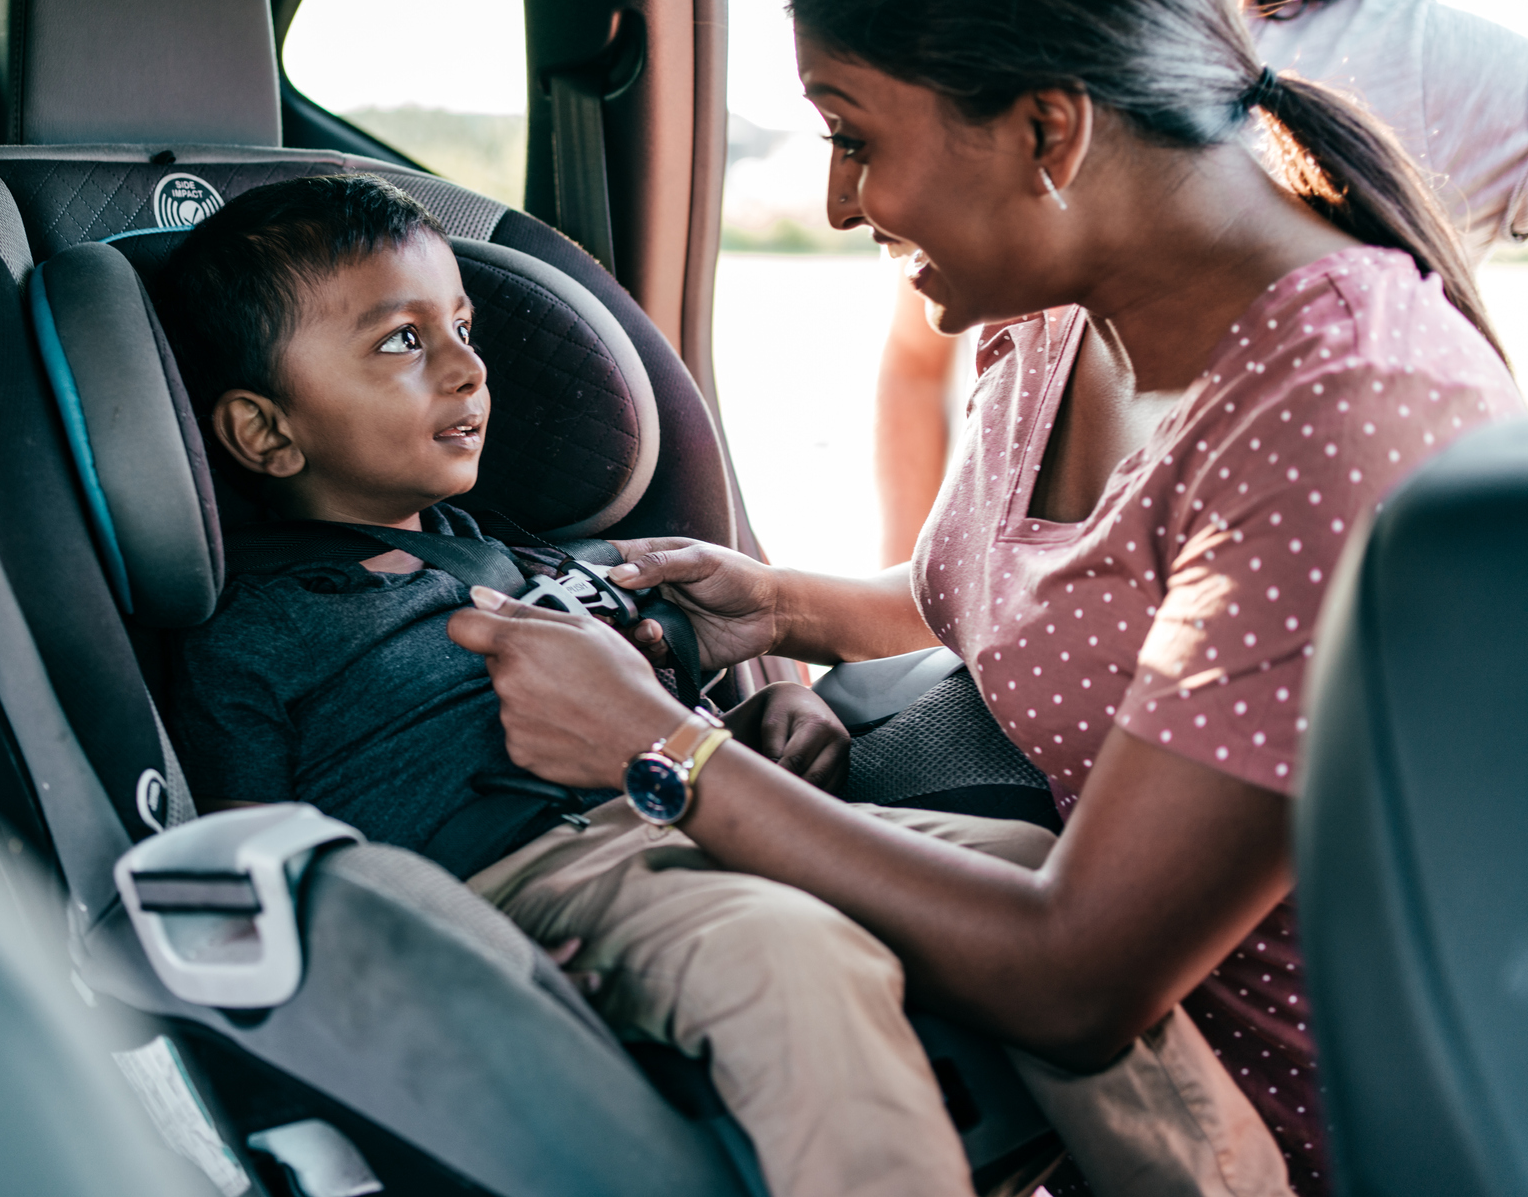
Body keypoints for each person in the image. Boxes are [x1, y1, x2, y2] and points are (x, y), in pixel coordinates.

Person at [446, 0, 1521, 1197]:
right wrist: (778, 604)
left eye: (853, 133)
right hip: (1071, 1102)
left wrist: (663, 754)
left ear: (1046, 131)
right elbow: (1052, 602)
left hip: (1325, 1140)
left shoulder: (1338, 413)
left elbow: (1081, 975)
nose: (839, 202)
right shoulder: (1056, 317)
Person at [153, 172, 1064, 1197]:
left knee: (1022, 869)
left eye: (461, 324)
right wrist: (472, 976)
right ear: (266, 432)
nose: (465, 368)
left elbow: (672, 724)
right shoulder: (251, 637)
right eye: (402, 341)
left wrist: (773, 709)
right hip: (512, 894)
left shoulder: (531, 562)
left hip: (686, 825)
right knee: (787, 953)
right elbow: (264, 890)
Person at [871, 0, 1528, 567]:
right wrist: (907, 631)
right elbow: (917, 362)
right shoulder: (1034, 43)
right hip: (1063, 645)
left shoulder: (1426, 59)